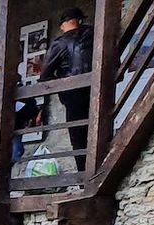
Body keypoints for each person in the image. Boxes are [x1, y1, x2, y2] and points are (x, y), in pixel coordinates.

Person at [40, 8, 95, 173]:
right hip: (97, 93)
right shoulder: (95, 35)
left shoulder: (60, 43)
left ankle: (83, 179)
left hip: (73, 97)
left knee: (78, 139)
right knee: (99, 133)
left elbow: (44, 75)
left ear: (63, 24)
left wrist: (59, 79)